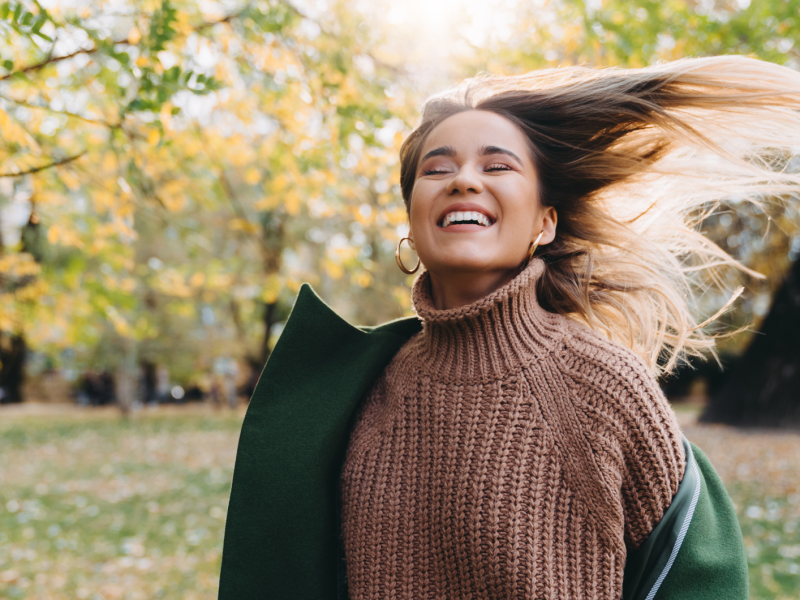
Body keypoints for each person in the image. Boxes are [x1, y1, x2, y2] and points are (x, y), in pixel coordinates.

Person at [218, 56, 800, 600]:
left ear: (544, 223)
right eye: (436, 168)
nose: (463, 180)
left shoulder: (601, 387)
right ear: (413, 225)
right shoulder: (353, 393)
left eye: (497, 165)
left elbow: (692, 570)